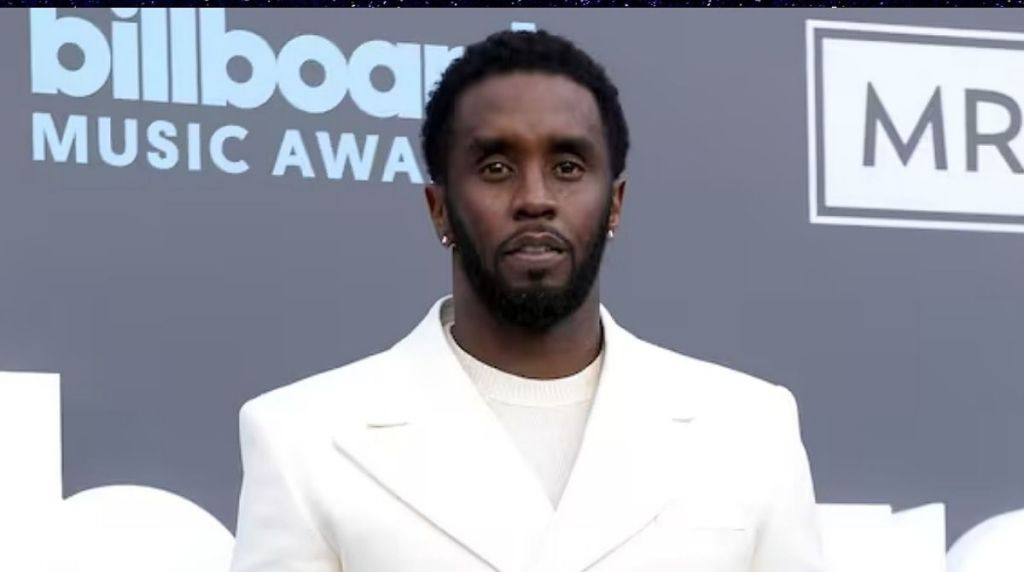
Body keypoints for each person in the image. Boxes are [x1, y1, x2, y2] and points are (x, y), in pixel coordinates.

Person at [229, 29, 824, 572]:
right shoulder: (302, 439)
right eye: (495, 167)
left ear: (614, 203)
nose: (534, 198)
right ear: (440, 209)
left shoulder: (749, 430)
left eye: (568, 166)